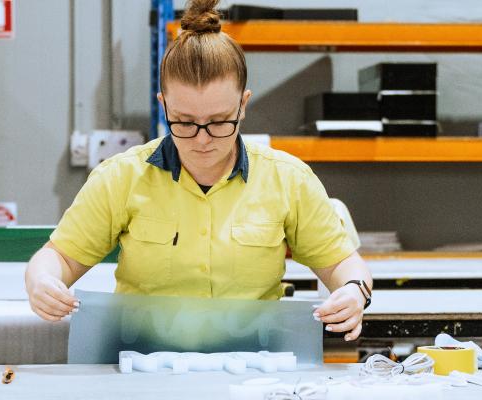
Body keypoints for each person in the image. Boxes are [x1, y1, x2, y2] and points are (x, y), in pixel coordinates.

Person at [23, 0, 374, 342]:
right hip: (144, 365)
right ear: (164, 106)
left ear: (243, 104)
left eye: (220, 121)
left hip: (253, 368)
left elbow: (340, 263)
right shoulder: (121, 178)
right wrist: (42, 281)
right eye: (185, 122)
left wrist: (353, 291)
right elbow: (61, 257)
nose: (203, 139)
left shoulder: (287, 179)